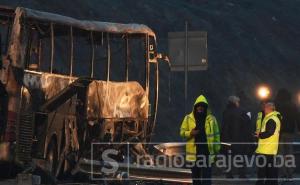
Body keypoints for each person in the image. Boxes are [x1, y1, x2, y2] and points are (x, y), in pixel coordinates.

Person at [180, 95, 220, 185]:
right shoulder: (188, 118)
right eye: (198, 106)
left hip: (207, 154)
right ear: (195, 107)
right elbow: (182, 133)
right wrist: (190, 133)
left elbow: (217, 136)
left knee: (207, 180)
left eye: (202, 106)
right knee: (196, 179)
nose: (200, 108)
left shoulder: (212, 119)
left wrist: (217, 151)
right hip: (194, 155)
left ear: (206, 107)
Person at [221, 96, 252, 178]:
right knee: (241, 157)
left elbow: (223, 127)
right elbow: (247, 125)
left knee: (229, 157)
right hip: (240, 139)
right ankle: (242, 174)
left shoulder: (225, 112)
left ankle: (229, 174)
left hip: (227, 139)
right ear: (236, 102)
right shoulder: (242, 112)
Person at [255, 101, 281, 185]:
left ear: (269, 108)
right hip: (271, 149)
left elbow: (270, 132)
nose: (264, 109)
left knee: (262, 171)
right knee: (271, 170)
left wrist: (260, 135)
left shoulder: (271, 119)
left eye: (265, 107)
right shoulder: (274, 117)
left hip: (266, 149)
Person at [275, 88, 298, 180]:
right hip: (290, 132)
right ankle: (290, 172)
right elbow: (297, 117)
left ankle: (283, 172)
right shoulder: (293, 105)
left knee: (280, 154)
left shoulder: (276, 104)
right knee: (289, 153)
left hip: (278, 132)